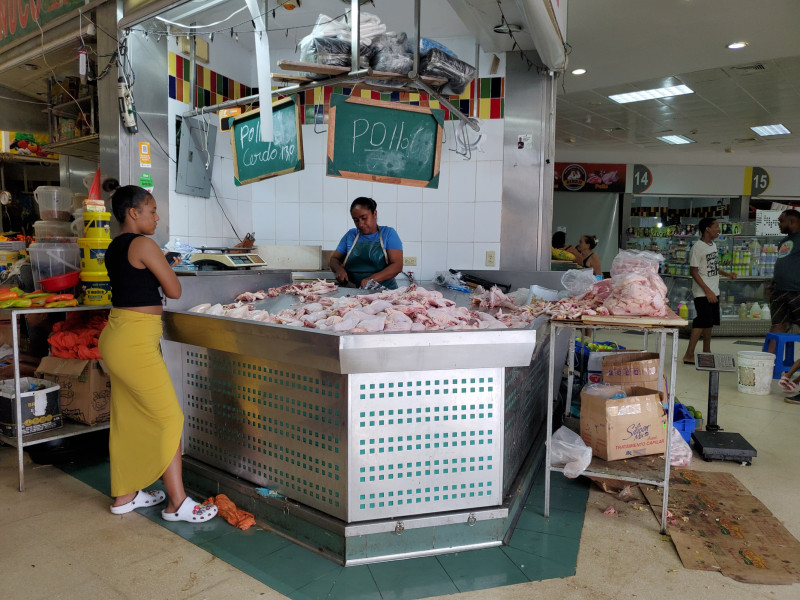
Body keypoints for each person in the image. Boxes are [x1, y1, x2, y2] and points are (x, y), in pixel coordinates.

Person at [98, 183, 217, 524]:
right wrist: (165, 265)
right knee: (169, 418)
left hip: (118, 335)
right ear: (133, 213)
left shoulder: (115, 247)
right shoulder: (144, 244)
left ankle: (126, 495)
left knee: (128, 418)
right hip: (135, 341)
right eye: (151, 210)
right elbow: (174, 290)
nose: (156, 216)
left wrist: (159, 263)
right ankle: (177, 503)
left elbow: (138, 281)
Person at [681, 217, 737, 364]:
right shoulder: (697, 247)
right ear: (707, 229)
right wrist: (707, 291)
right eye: (716, 227)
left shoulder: (712, 245)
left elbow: (713, 266)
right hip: (702, 292)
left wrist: (727, 274)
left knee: (709, 322)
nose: (718, 230)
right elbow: (693, 271)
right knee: (701, 321)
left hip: (714, 290)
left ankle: (707, 351)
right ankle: (689, 354)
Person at [329, 197, 403, 289]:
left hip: (384, 291)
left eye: (364, 218)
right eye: (356, 220)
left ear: (374, 214)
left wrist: (371, 279)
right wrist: (338, 269)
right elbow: (334, 259)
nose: (360, 224)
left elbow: (397, 266)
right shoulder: (351, 235)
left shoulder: (388, 233)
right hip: (353, 289)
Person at [766, 209, 800, 355]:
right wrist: (773, 284)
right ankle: (767, 365)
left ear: (791, 221)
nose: (779, 224)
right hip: (779, 291)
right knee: (777, 326)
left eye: (781, 221)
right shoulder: (784, 241)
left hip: (797, 291)